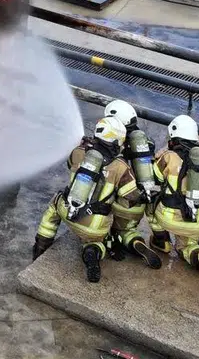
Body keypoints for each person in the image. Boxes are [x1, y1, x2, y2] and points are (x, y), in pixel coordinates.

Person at [32, 116, 148, 283]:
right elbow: (131, 197)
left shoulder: (79, 152)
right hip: (95, 225)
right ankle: (93, 250)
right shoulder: (120, 166)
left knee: (54, 204)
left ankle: (40, 247)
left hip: (68, 212)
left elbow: (69, 163)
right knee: (99, 238)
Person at [149, 114, 199, 287]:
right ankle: (197, 253)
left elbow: (154, 178)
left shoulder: (168, 157)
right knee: (186, 247)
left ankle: (161, 241)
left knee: (150, 203)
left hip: (169, 216)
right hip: (196, 219)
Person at [102, 100, 161, 268]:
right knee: (127, 230)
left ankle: (112, 241)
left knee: (106, 225)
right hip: (140, 201)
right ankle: (134, 240)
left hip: (120, 201)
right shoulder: (145, 142)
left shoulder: (115, 146)